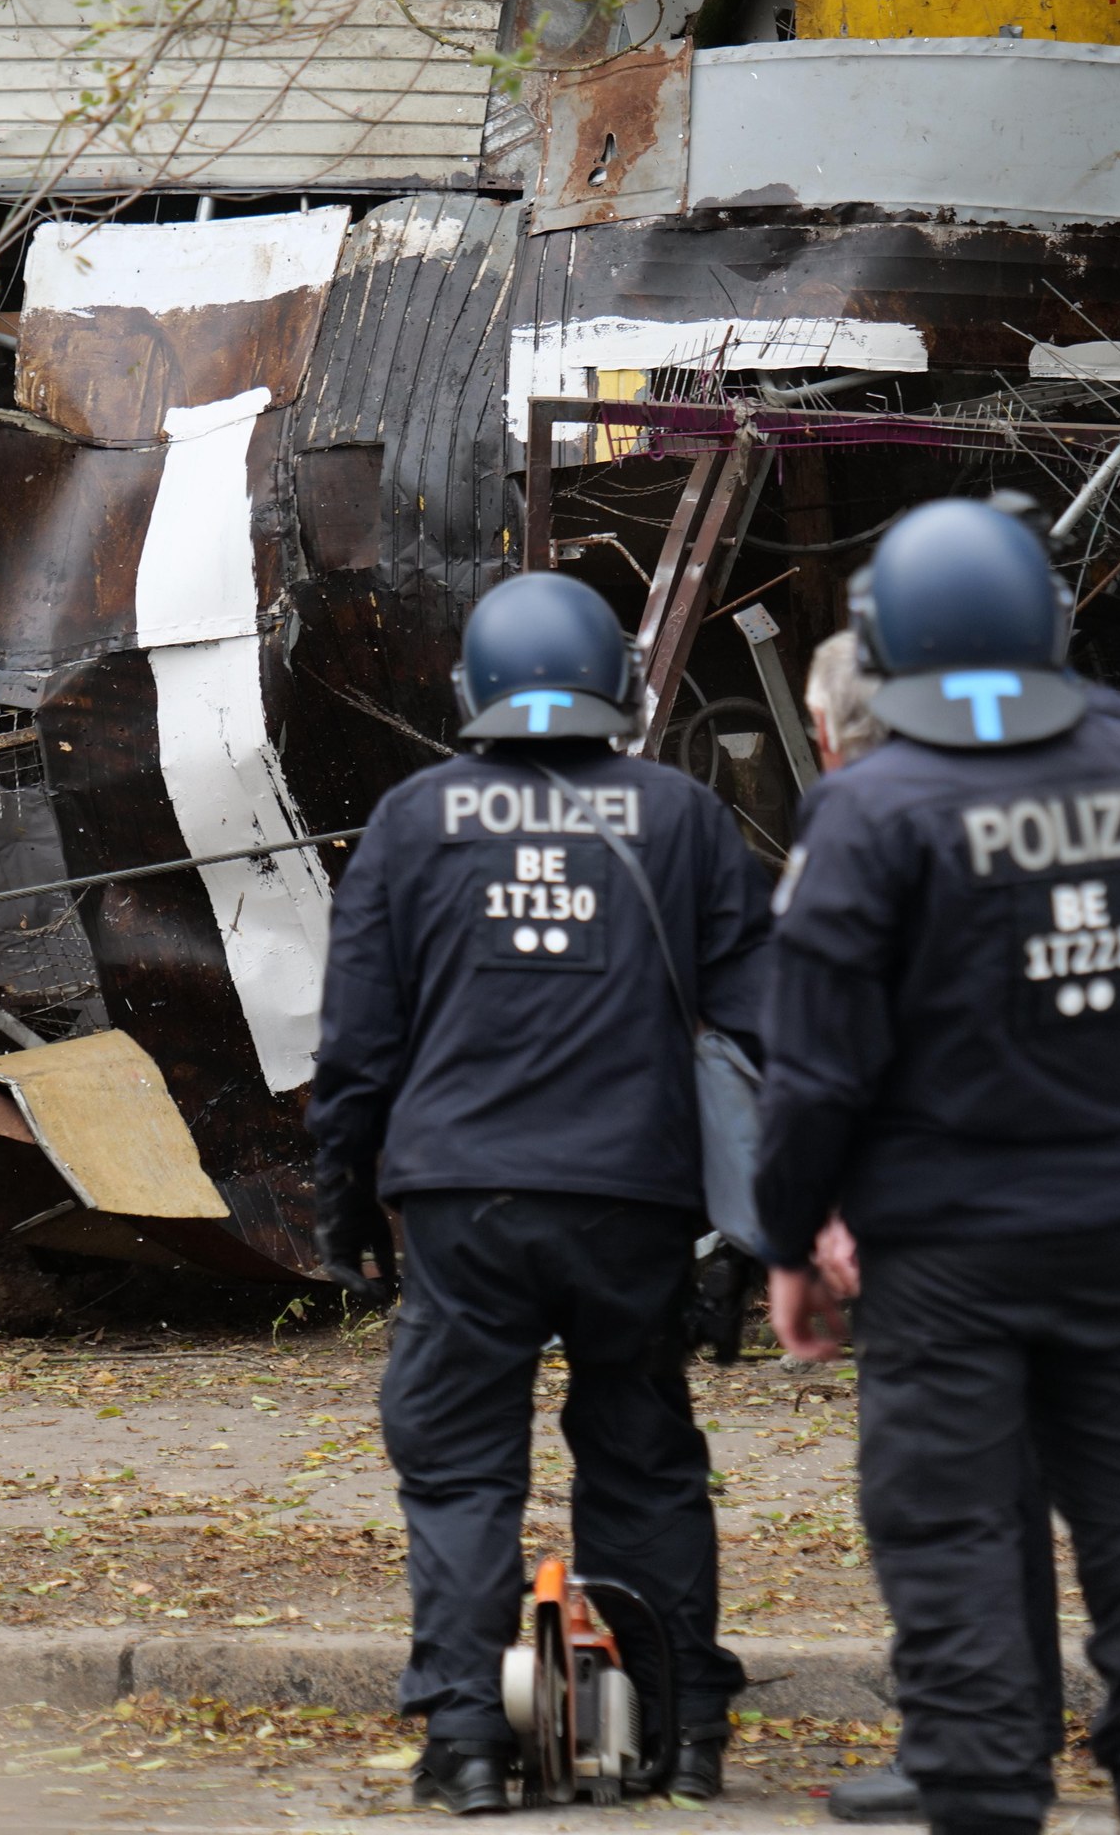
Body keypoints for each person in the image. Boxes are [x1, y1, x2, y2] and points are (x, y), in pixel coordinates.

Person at [755, 498, 1120, 1835]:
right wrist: (1064, 696)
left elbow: (814, 1076)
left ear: (889, 645)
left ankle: (984, 1795)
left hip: (937, 1256)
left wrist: (789, 1238)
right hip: (1105, 1233)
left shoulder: (868, 813)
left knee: (954, 1534)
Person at [309, 570, 773, 1815]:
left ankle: (466, 1743)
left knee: (461, 1475)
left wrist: (341, 1196)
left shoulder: (413, 821)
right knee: (643, 1464)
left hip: (463, 1207)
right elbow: (755, 1027)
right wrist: (749, 1228)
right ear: (619, 687)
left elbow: (355, 1044)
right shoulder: (679, 817)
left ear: (471, 691)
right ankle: (675, 1740)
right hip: (635, 1203)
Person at [796, 629, 1066, 1830]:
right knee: (1011, 1480)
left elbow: (826, 1057)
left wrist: (812, 1218)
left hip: (926, 1216)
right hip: (1054, 1199)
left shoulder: (859, 829)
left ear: (826, 730)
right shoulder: (1016, 811)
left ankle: (959, 1749)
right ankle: (1020, 1725)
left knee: (931, 1492)